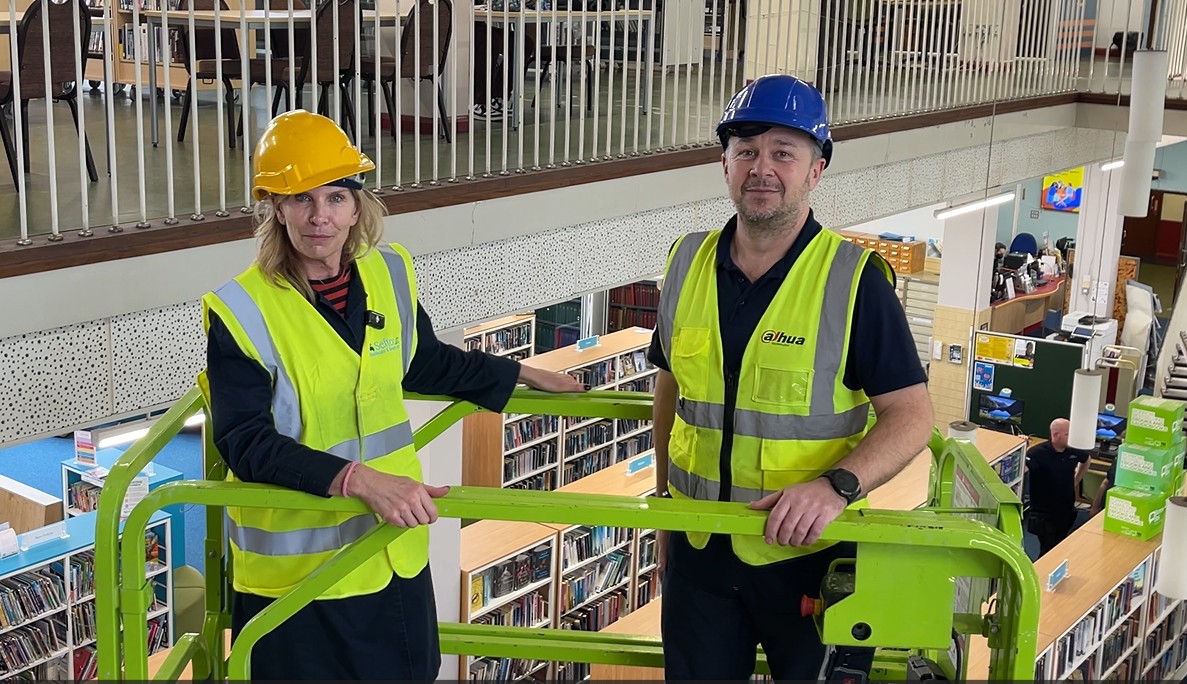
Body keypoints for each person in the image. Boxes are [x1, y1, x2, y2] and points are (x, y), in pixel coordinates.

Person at [200, 110, 584, 680]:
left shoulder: (389, 273)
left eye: (335, 197)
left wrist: (518, 373)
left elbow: (421, 360)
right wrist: (359, 481)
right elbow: (244, 441)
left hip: (389, 553)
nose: (320, 216)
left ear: (357, 206)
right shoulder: (242, 311)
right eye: (301, 199)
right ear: (276, 209)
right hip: (299, 583)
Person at [649, 74, 934, 681]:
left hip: (810, 555)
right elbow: (671, 387)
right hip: (699, 550)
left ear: (815, 170)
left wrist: (837, 487)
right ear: (725, 164)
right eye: (746, 151)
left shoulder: (855, 281)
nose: (761, 168)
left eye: (783, 152)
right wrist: (663, 505)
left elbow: (913, 416)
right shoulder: (684, 262)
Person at [1025, 418, 1090, 557]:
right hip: (1044, 513)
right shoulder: (1037, 453)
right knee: (1048, 550)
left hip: (1066, 510)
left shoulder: (1073, 450)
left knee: (1061, 546)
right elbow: (1023, 469)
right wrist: (1022, 447)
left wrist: (1076, 480)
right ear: (1056, 435)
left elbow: (1086, 460)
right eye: (1068, 434)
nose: (1072, 437)